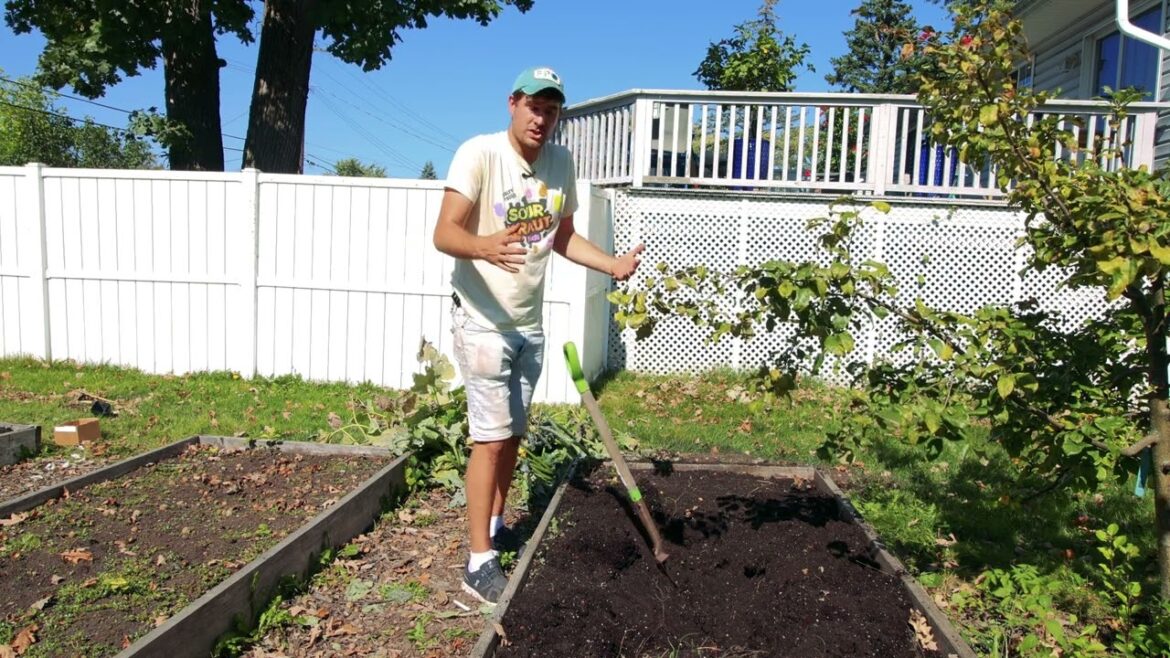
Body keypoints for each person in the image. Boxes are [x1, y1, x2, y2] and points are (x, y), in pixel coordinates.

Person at [432, 66, 644, 605]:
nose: (541, 118)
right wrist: (484, 246)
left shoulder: (560, 163)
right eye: (534, 106)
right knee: (491, 438)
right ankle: (478, 562)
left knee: (515, 433)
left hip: (528, 321)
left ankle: (497, 521)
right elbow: (445, 232)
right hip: (482, 321)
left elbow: (565, 237)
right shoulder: (479, 154)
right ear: (513, 103)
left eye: (551, 110)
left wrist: (612, 265)